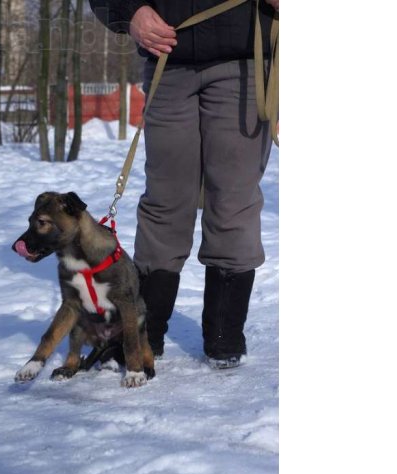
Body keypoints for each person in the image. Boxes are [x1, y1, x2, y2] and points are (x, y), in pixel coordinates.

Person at [89, 0, 278, 368]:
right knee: (165, 200)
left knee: (234, 199)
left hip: (246, 62)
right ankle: (143, 333)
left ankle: (225, 336)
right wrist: (130, 12)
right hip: (168, 62)